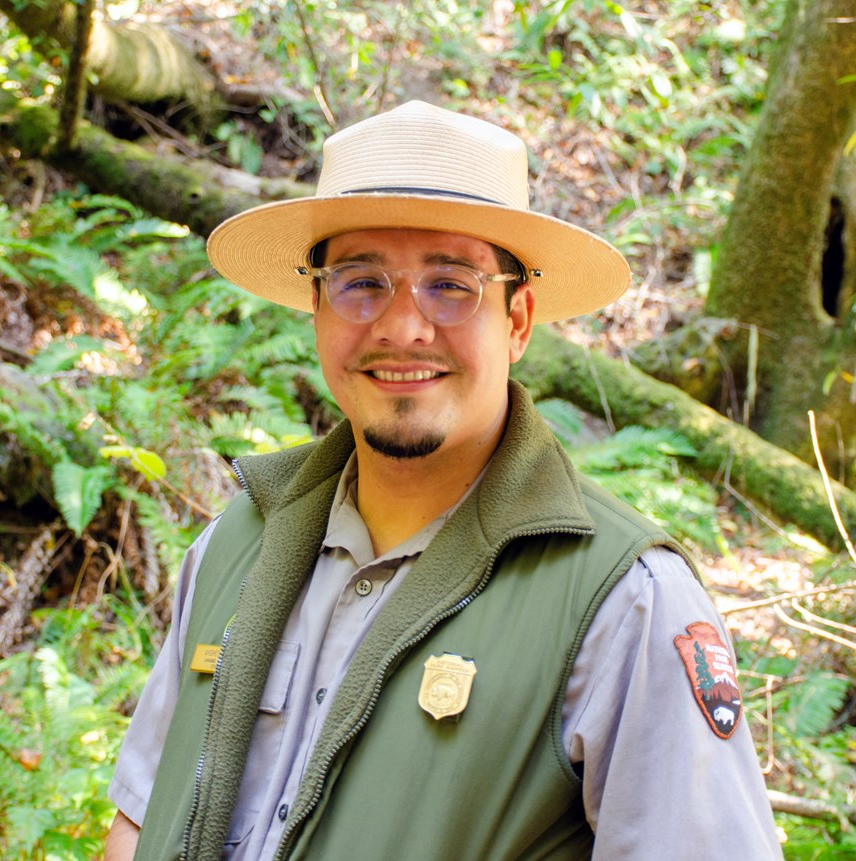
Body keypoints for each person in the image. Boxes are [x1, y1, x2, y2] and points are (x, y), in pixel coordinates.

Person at [103, 100, 782, 861]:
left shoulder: (623, 604)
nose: (402, 327)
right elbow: (137, 820)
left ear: (519, 319)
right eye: (360, 281)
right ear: (316, 307)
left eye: (451, 284)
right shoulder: (237, 543)